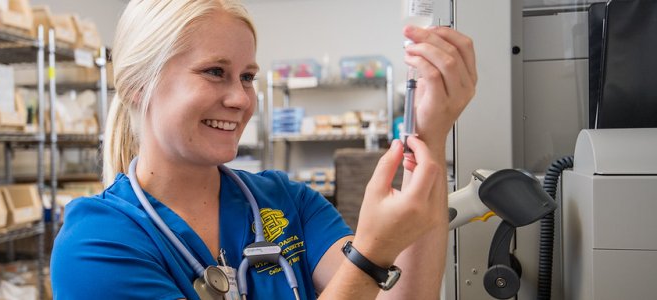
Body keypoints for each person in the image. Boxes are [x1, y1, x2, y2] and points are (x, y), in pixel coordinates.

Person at [51, 0, 476, 299]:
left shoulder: (285, 201)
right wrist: (371, 254)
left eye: (248, 76)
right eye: (215, 72)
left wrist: (431, 136)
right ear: (135, 87)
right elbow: (368, 273)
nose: (240, 98)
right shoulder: (97, 242)